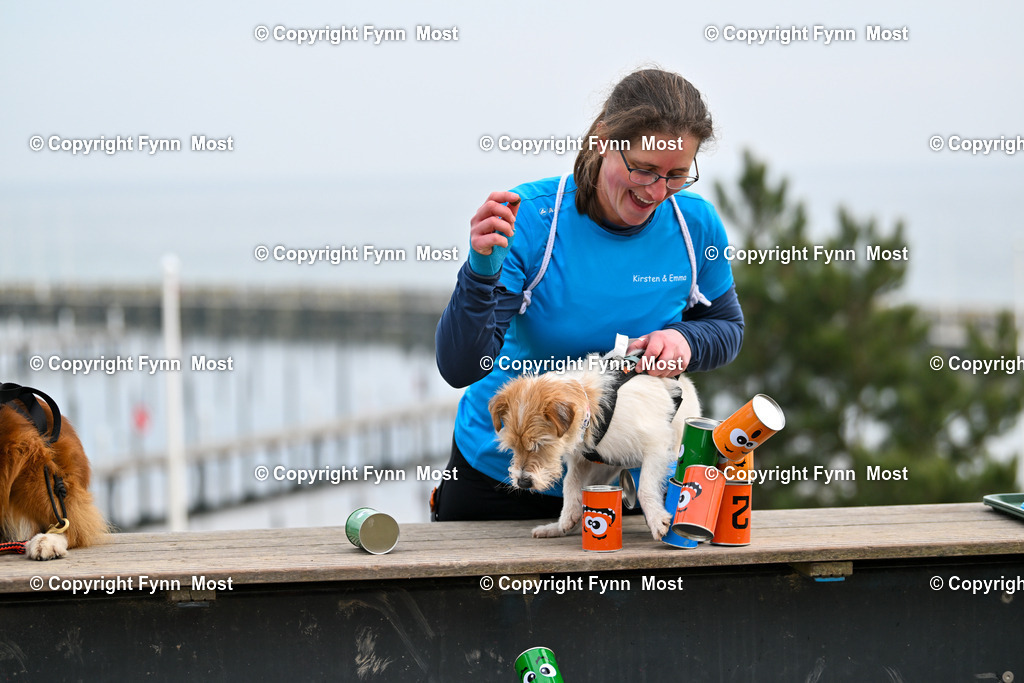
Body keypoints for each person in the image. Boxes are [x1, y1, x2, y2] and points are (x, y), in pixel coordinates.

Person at [432, 68, 744, 521]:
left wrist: (686, 339)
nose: (657, 192)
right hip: (503, 479)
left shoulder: (694, 225)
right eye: (644, 169)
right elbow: (461, 365)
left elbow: (727, 328)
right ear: (602, 139)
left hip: (622, 477)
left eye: (676, 175)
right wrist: (480, 274)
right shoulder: (533, 221)